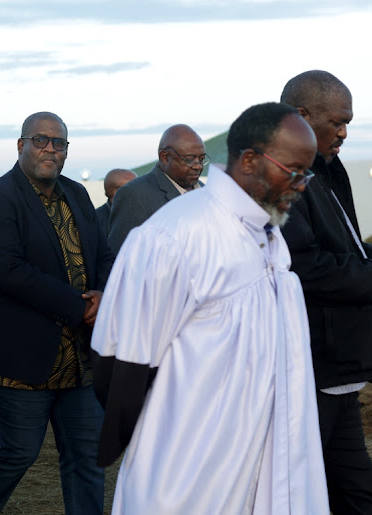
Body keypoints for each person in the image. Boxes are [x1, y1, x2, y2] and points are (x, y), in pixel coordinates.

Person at [91, 103, 329, 513]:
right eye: (293, 171)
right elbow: (122, 362)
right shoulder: (176, 234)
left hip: (261, 460)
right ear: (250, 160)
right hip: (190, 469)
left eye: (306, 173)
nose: (301, 185)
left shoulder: (269, 238)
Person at [0, 112, 114, 514]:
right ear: (21, 144)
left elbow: (105, 255)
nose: (50, 149)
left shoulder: (77, 194)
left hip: (79, 357)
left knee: (87, 457)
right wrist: (79, 308)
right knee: (17, 452)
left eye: (59, 143)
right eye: (41, 140)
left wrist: (105, 295)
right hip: (20, 353)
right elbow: (6, 271)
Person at [281, 70, 372, 515]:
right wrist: (370, 278)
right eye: (338, 122)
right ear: (300, 115)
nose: (345, 132)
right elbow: (300, 265)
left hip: (338, 367)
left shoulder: (326, 168)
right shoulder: (281, 175)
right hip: (310, 363)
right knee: (301, 492)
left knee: (356, 491)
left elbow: (340, 238)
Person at [107, 125, 206, 253]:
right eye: (189, 159)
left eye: (202, 159)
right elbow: (122, 258)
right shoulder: (134, 196)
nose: (198, 166)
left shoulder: (206, 191)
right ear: (165, 157)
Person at [95, 169, 136, 237]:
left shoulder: (142, 213)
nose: (138, 191)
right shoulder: (96, 221)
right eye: (133, 188)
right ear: (117, 191)